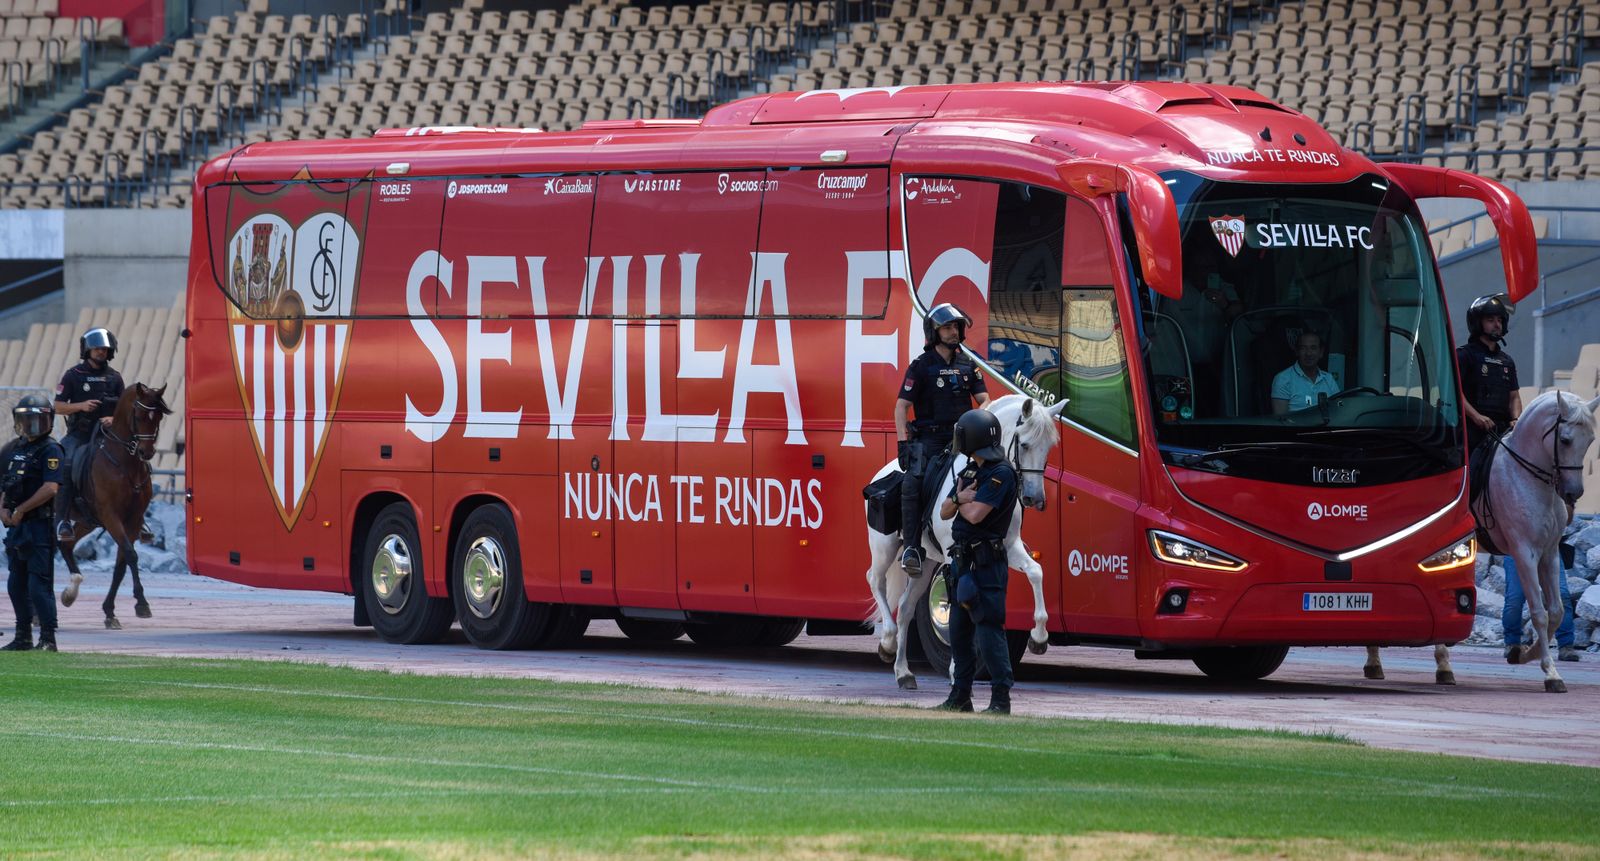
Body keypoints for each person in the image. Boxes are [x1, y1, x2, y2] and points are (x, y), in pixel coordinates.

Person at [896, 303, 990, 576]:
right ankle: (912, 548)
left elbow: (985, 400)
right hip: (929, 440)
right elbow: (901, 407)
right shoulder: (921, 366)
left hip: (962, 440)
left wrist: (976, 420)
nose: (953, 332)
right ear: (934, 332)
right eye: (947, 327)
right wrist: (904, 444)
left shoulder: (968, 364)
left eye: (955, 327)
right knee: (911, 483)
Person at [935, 409, 1018, 715]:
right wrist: (959, 499)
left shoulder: (1002, 474)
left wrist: (962, 501)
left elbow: (975, 515)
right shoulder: (970, 471)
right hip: (961, 563)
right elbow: (945, 511)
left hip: (986, 564)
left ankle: (1000, 700)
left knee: (988, 630)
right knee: (958, 632)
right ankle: (960, 697)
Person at [2, 396, 65, 651]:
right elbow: (6, 484)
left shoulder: (51, 449)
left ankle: (48, 638)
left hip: (38, 526)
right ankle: (22, 636)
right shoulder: (17, 448)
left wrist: (21, 509)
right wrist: (4, 509)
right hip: (17, 527)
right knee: (15, 584)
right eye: (27, 419)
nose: (31, 425)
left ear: (48, 420)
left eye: (37, 419)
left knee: (38, 584)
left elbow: (50, 488)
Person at [54, 327, 123, 540]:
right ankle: (63, 521)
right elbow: (57, 406)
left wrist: (114, 419)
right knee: (65, 463)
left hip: (107, 435)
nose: (101, 352)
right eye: (97, 348)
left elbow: (124, 408)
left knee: (134, 460)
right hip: (79, 435)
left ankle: (139, 519)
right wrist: (81, 406)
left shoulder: (115, 377)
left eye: (104, 349)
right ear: (87, 350)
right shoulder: (73, 375)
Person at [1456, 294, 1520, 456]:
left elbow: (1514, 397)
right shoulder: (1464, 355)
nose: (1497, 324)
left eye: (1499, 320)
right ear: (1478, 323)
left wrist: (1516, 420)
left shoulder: (1507, 361)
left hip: (1503, 435)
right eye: (1490, 320)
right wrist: (1477, 417)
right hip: (1471, 434)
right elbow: (1455, 393)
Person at [1501, 555, 1581, 662]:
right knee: (1515, 597)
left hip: (1548, 551)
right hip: (1516, 551)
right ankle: (1512, 644)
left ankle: (1566, 646)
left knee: (1561, 595)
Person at [1270, 330, 1340, 414]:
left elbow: (1339, 407)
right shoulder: (1283, 379)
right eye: (1303, 348)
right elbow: (1281, 420)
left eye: (1313, 348)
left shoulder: (1328, 378)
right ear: (1297, 351)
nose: (1308, 353)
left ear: (1321, 352)